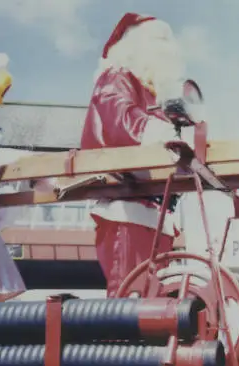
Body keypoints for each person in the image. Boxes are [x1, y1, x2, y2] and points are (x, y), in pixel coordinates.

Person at [80, 12, 184, 298]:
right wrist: (165, 136)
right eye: (158, 43)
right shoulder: (116, 76)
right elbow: (121, 122)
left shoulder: (154, 94)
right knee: (130, 295)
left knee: (151, 297)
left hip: (154, 209)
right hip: (126, 205)